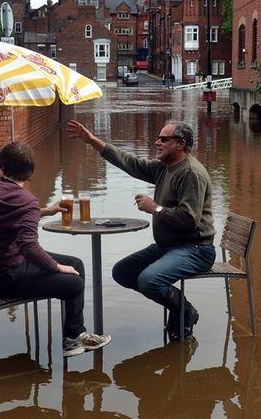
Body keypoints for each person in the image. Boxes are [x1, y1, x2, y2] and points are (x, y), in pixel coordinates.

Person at [66, 119, 215, 340]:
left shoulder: (191, 173)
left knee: (149, 280)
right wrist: (92, 141)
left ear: (180, 144)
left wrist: (156, 209)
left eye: (163, 139)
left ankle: (184, 310)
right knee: (122, 272)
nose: (157, 142)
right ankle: (179, 309)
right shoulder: (164, 167)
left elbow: (189, 219)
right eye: (158, 138)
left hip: (196, 249)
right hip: (169, 247)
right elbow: (131, 163)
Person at [0, 141, 112, 358]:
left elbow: (9, 218)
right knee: (74, 282)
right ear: (30, 172)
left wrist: (46, 211)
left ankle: (75, 335)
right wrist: (56, 267)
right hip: (7, 280)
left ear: (1, 165)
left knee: (76, 263)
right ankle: (73, 340)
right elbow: (29, 247)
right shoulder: (25, 201)